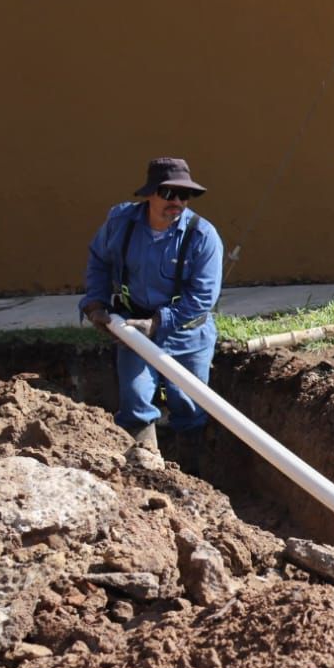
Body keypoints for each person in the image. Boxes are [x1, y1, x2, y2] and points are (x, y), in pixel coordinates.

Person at [80, 158, 224, 472]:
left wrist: (158, 323)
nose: (177, 203)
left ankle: (193, 479)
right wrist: (95, 303)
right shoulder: (121, 223)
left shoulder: (203, 236)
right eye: (169, 193)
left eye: (184, 196)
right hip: (134, 327)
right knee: (134, 400)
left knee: (188, 403)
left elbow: (202, 297)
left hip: (188, 334)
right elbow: (99, 260)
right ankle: (145, 476)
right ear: (149, 194)